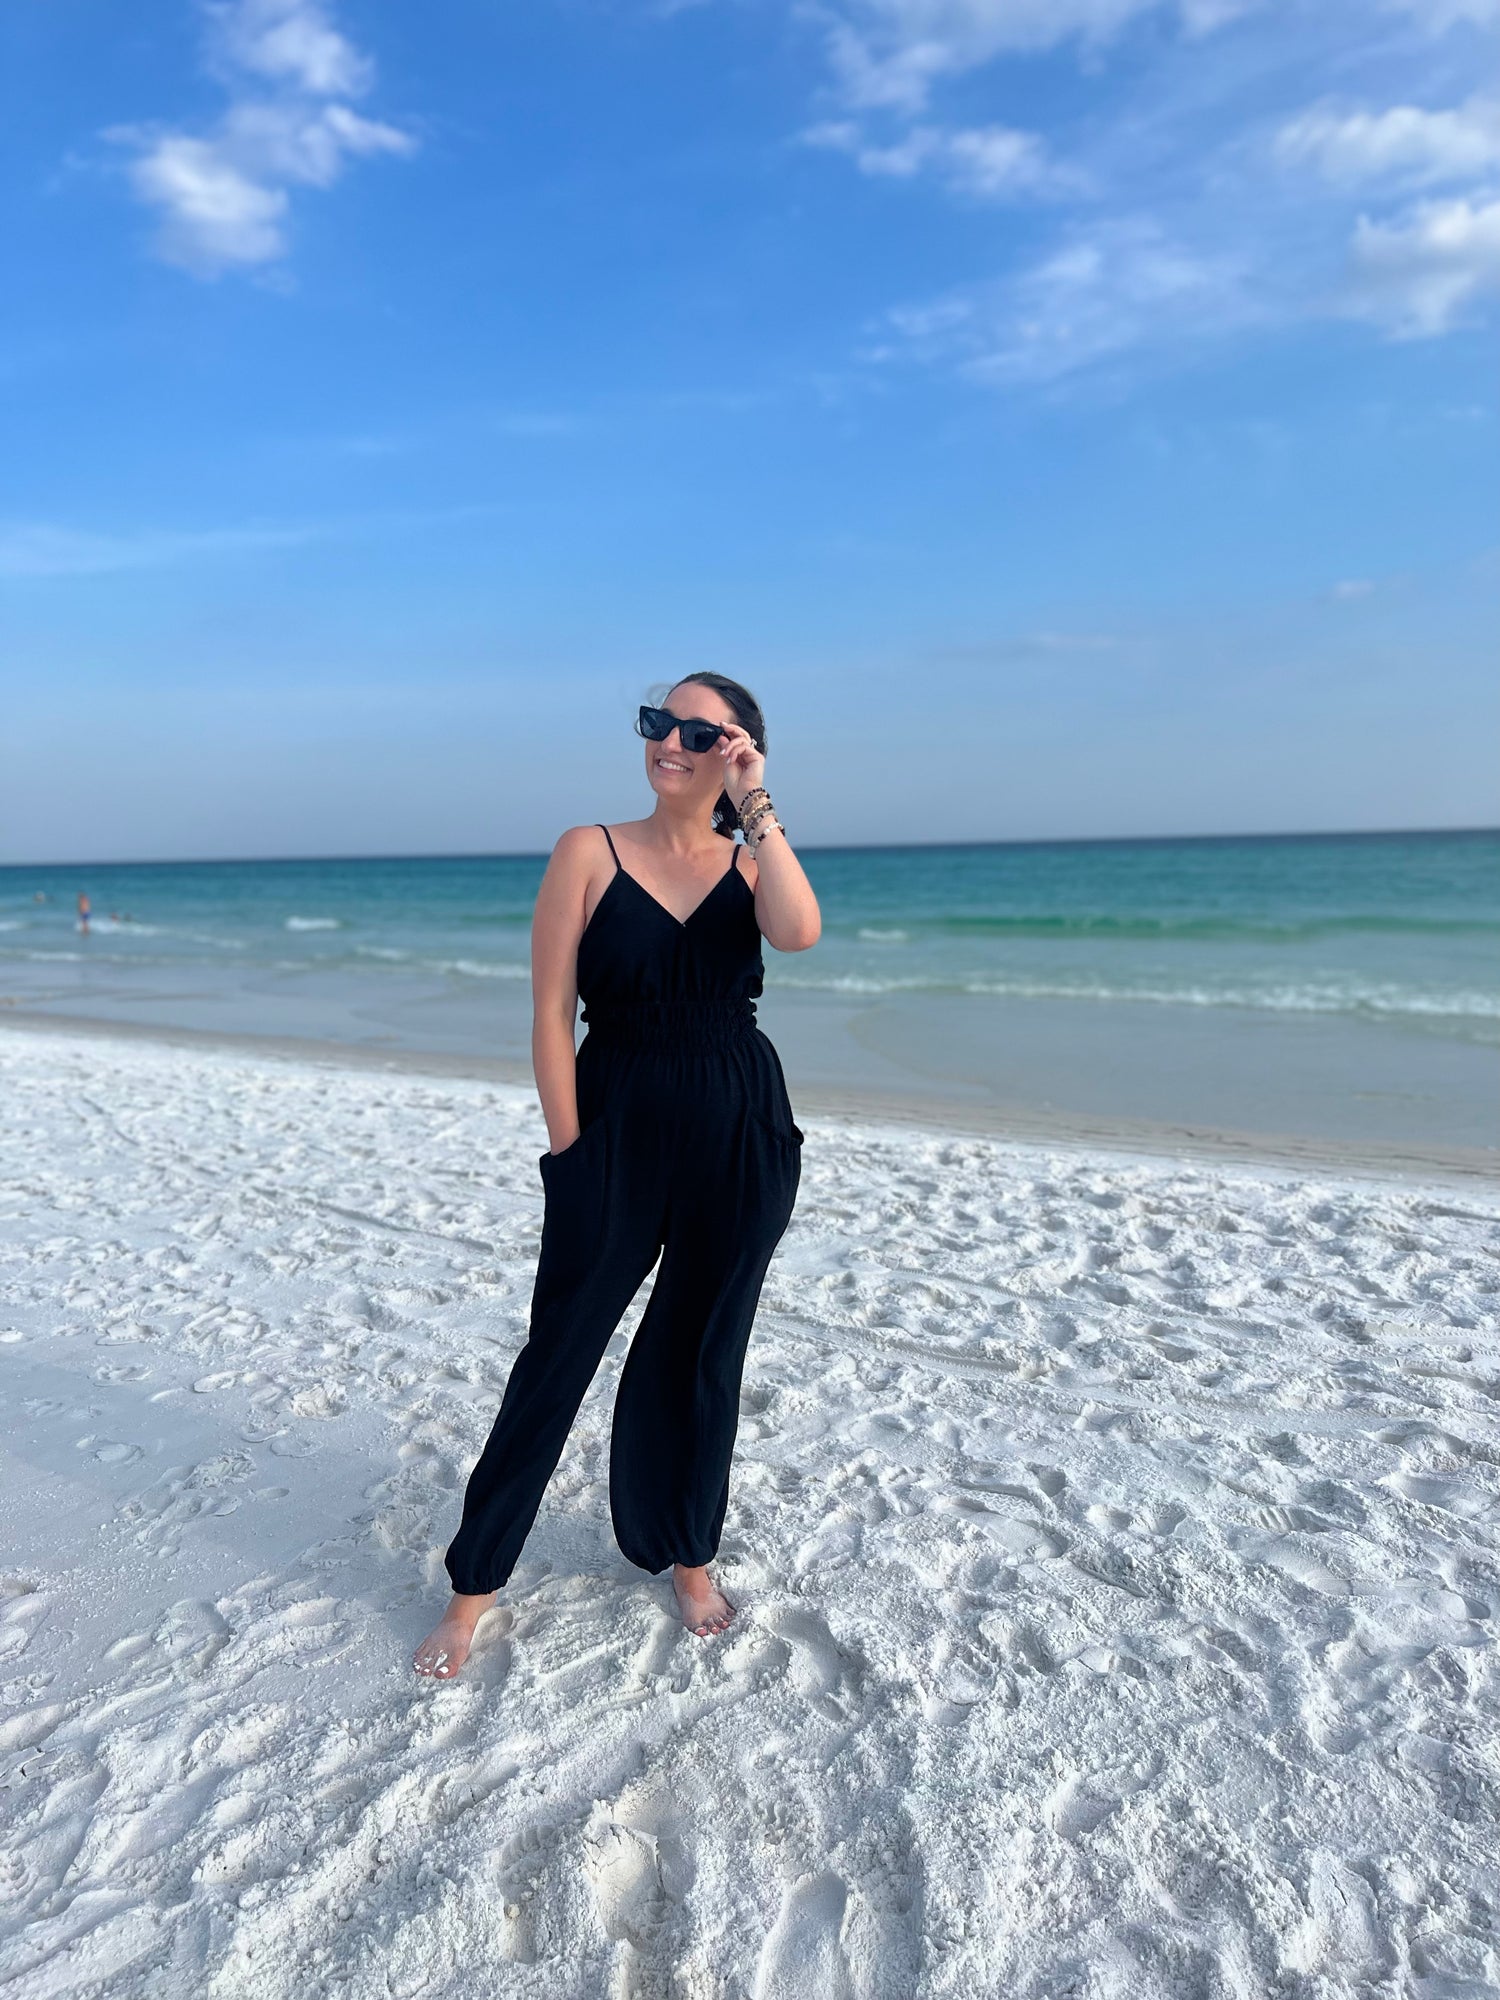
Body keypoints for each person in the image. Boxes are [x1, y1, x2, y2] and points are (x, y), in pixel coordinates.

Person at [414, 675, 820, 1679]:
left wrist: (757, 803)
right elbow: (551, 1013)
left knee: (703, 1354)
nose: (668, 741)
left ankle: (689, 1556)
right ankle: (473, 1585)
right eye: (657, 723)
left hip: (740, 1128)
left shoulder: (749, 860)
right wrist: (571, 1151)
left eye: (696, 731)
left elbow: (799, 930)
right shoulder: (587, 850)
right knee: (559, 1350)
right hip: (614, 1125)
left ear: (736, 747)